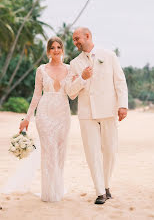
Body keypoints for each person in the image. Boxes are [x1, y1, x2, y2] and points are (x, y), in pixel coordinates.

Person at [65, 27, 128, 204]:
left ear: (88, 36)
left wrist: (123, 105)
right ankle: (100, 191)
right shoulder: (74, 63)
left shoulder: (109, 55)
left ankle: (106, 185)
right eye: (74, 40)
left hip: (109, 110)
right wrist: (82, 78)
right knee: (92, 153)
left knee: (110, 151)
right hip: (87, 113)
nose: (75, 42)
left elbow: (120, 81)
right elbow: (70, 92)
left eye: (77, 38)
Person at [16, 36, 71, 202]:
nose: (56, 50)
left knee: (60, 153)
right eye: (52, 47)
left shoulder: (70, 69)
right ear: (48, 51)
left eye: (58, 47)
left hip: (63, 114)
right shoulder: (41, 69)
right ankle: (48, 194)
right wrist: (27, 118)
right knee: (48, 152)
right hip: (45, 114)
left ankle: (58, 190)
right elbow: (36, 95)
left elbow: (73, 91)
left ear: (62, 50)